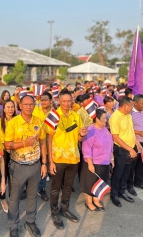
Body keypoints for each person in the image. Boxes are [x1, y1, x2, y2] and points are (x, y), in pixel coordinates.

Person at [5, 95, 47, 237]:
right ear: (20, 106)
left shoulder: (38, 121)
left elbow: (42, 143)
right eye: (26, 104)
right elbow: (7, 144)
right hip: (18, 166)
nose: (29, 106)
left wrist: (44, 163)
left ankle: (30, 221)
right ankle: (13, 226)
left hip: (35, 165)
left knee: (32, 196)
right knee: (14, 198)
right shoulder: (13, 123)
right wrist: (24, 144)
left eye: (32, 104)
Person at [47, 92, 87, 229]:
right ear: (59, 101)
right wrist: (50, 162)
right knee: (55, 187)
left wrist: (82, 135)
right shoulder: (53, 116)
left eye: (68, 101)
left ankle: (64, 208)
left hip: (73, 158)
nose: (66, 103)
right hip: (58, 158)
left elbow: (79, 139)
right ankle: (54, 211)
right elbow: (49, 139)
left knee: (68, 186)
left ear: (72, 101)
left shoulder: (77, 116)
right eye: (63, 101)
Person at [109, 97, 142, 207]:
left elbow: (131, 131)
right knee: (118, 172)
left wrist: (136, 143)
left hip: (131, 148)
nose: (133, 107)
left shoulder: (128, 115)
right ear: (125, 106)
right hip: (121, 150)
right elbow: (116, 137)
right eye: (131, 105)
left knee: (126, 172)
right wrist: (130, 149)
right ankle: (114, 194)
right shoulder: (115, 117)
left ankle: (122, 191)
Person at [80, 109, 114, 211]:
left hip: (104, 162)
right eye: (103, 118)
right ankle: (89, 202)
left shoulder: (105, 129)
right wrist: (90, 164)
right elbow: (86, 149)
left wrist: (111, 158)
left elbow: (110, 145)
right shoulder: (90, 131)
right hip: (93, 163)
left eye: (106, 118)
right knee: (90, 183)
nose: (105, 120)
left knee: (100, 182)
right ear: (96, 119)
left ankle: (96, 201)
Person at [0, 99, 16, 213]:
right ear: (4, 109)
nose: (10, 109)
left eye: (12, 107)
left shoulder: (17, 120)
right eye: (8, 107)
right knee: (3, 177)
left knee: (13, 178)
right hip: (3, 153)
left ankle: (13, 199)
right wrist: (4, 146)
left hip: (15, 153)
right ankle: (3, 200)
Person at [33, 92, 53, 201]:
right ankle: (30, 187)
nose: (43, 102)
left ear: (51, 101)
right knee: (32, 168)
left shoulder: (54, 113)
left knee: (43, 167)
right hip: (35, 145)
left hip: (48, 145)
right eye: (42, 100)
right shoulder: (35, 110)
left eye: (46, 100)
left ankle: (41, 188)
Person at [127, 94, 143, 195]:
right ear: (135, 103)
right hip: (135, 142)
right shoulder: (130, 114)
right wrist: (139, 133)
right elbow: (128, 129)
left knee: (141, 164)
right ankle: (130, 185)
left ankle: (138, 182)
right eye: (141, 104)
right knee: (132, 165)